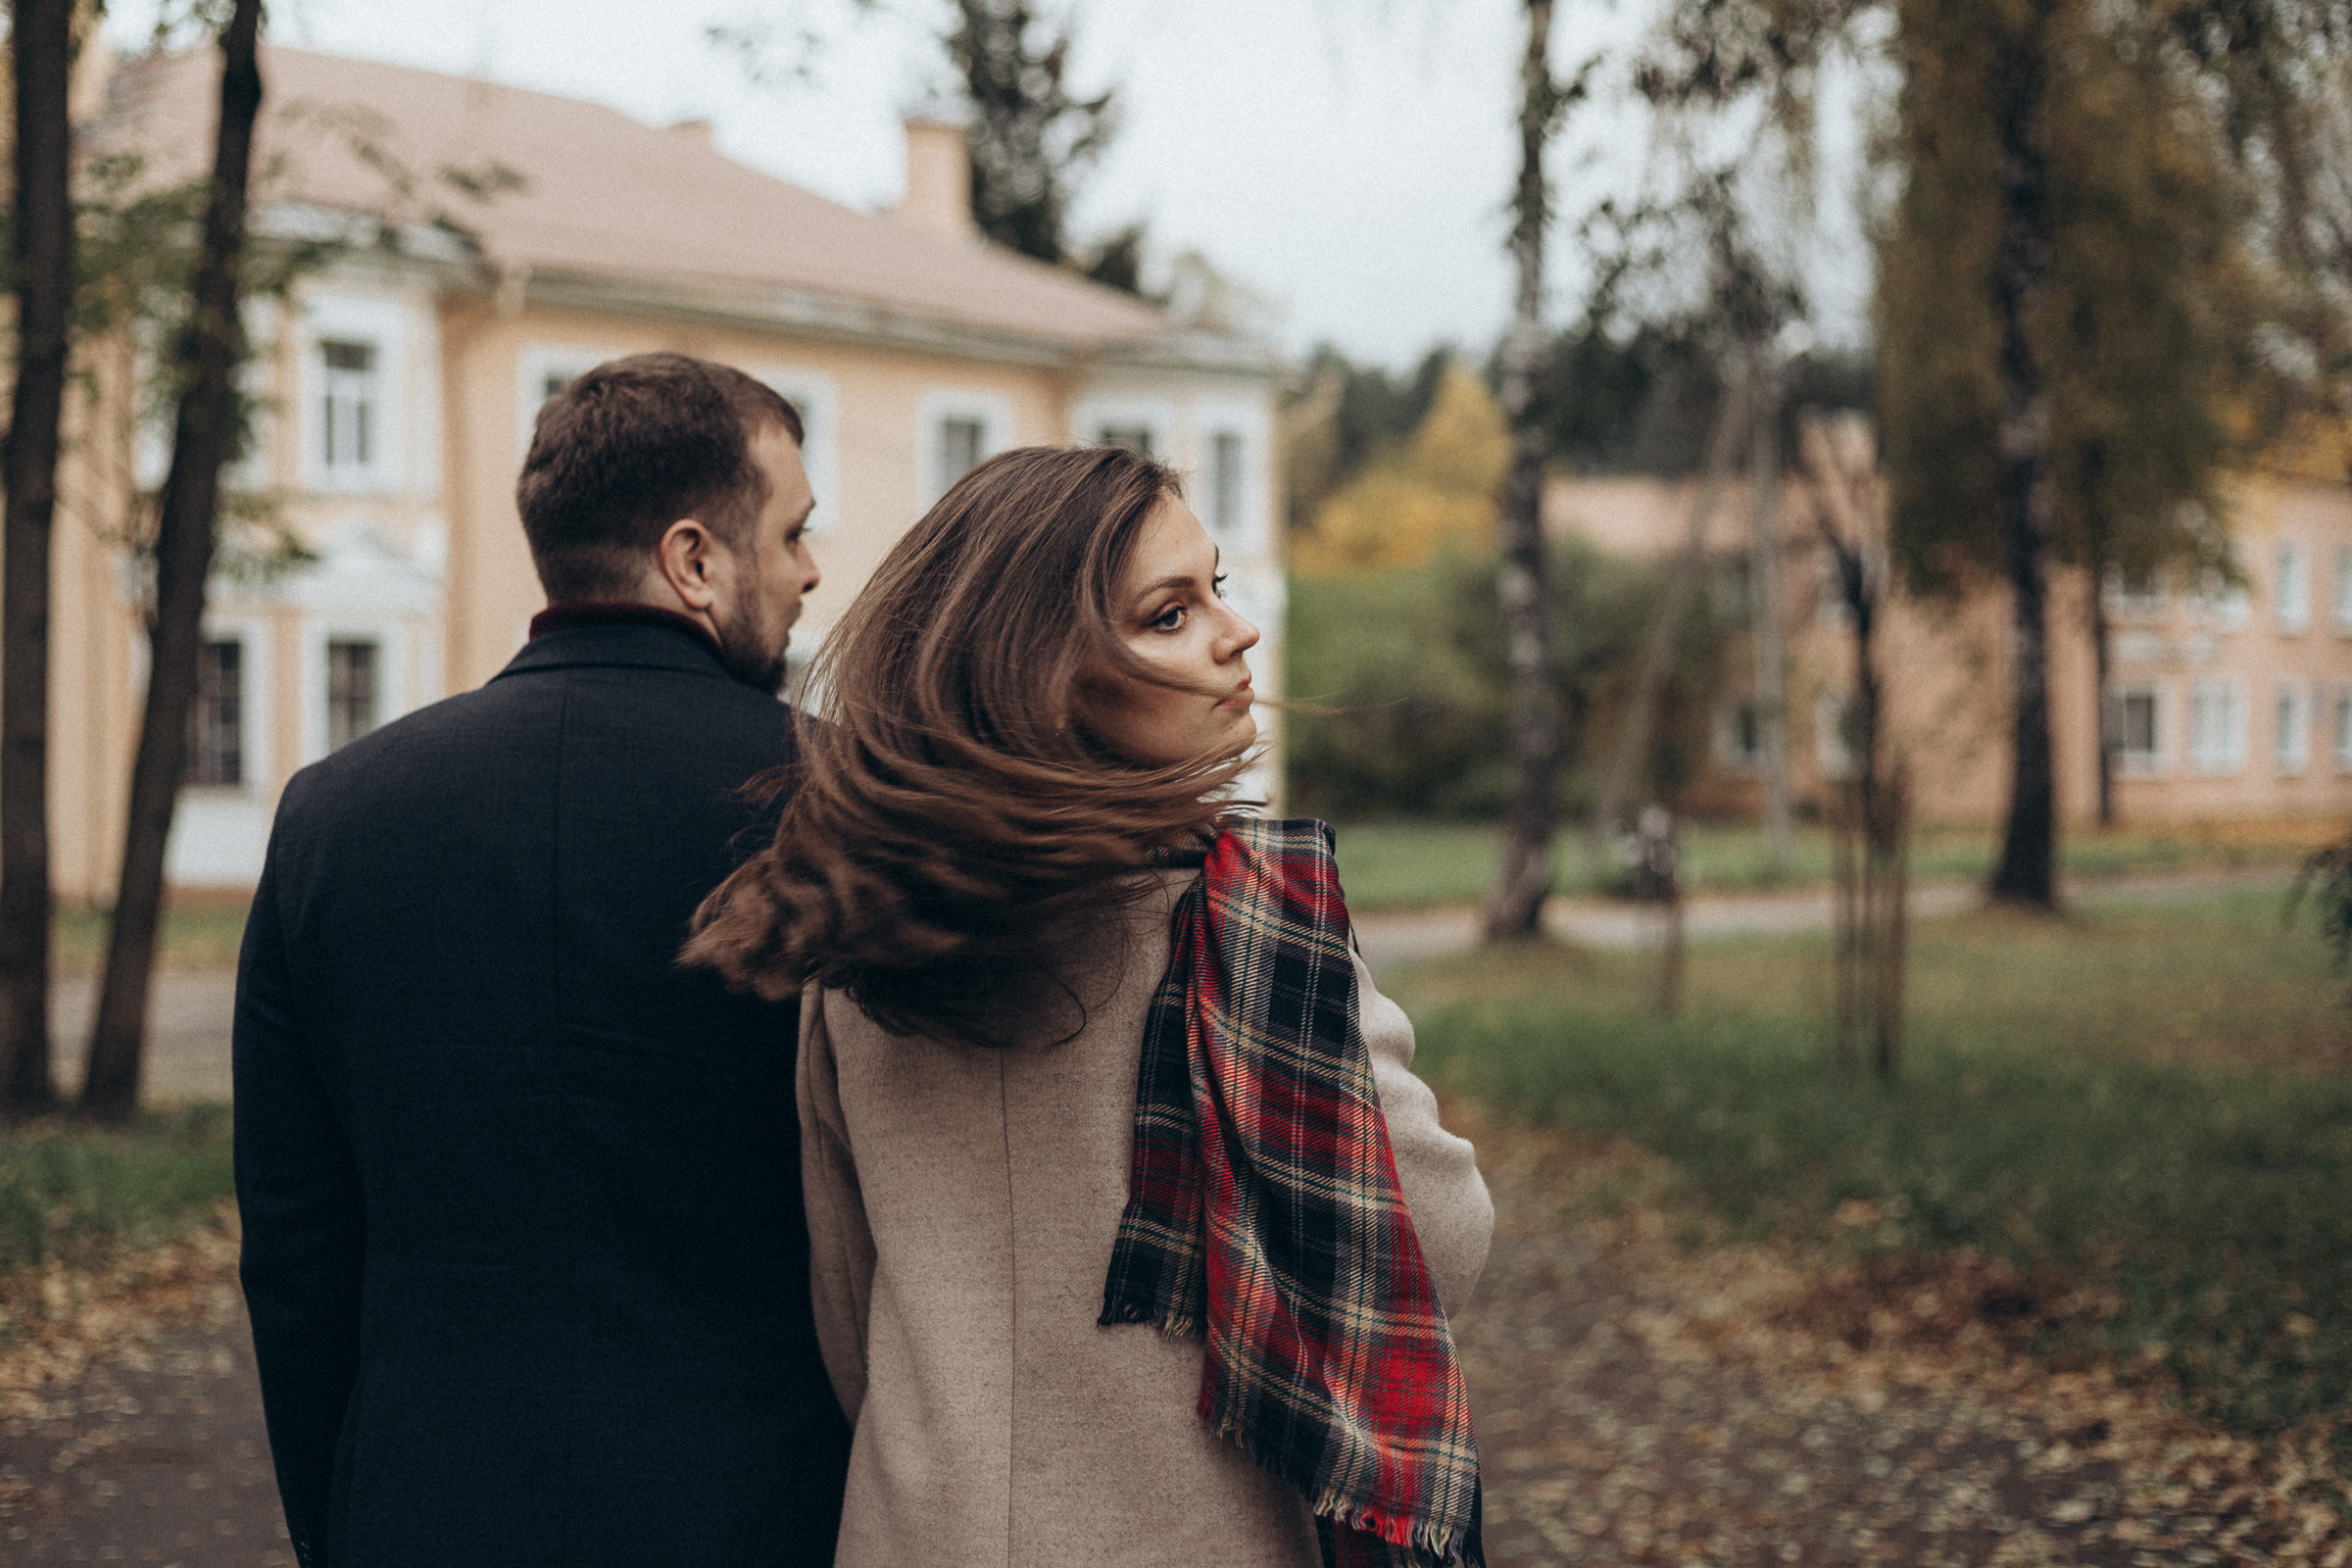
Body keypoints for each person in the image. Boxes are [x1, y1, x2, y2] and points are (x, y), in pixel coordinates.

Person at [687, 445, 1494, 1568]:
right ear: (1043, 675)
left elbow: (846, 1309)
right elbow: (1439, 1243)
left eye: (1217, 586)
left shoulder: (858, 946)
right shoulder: (1254, 926)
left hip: (917, 1531)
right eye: (1171, 614)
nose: (1236, 631)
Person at [234, 352, 847, 1568]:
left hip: (426, 1504)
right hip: (769, 1509)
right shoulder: (846, 808)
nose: (810, 570)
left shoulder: (332, 815)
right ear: (694, 561)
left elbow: (297, 1251)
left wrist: (343, 1522)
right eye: (792, 532)